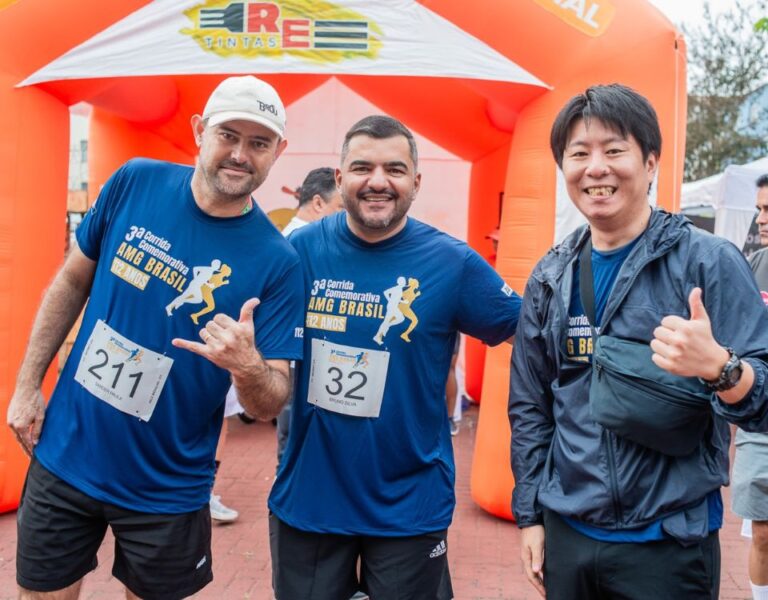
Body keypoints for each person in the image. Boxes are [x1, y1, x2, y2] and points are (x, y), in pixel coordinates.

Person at [6, 75, 304, 599]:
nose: (239, 154)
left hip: (166, 488)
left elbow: (270, 401)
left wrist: (247, 365)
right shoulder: (135, 181)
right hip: (66, 453)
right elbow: (73, 278)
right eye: (227, 135)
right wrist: (28, 384)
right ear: (198, 131)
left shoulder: (280, 262)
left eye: (258, 143)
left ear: (278, 151)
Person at [509, 83, 768, 599]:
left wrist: (721, 368)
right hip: (569, 533)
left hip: (669, 540)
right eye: (578, 154)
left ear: (650, 163)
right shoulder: (551, 275)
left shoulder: (707, 261)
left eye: (614, 150)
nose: (595, 168)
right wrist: (530, 515)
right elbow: (531, 406)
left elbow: (763, 398)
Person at [268, 115, 522, 600]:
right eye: (362, 168)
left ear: (416, 182)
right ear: (340, 179)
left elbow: (531, 333)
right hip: (311, 499)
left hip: (409, 503)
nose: (378, 182)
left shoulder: (453, 263)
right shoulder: (297, 252)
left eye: (395, 169)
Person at [731, 173, 768, 600]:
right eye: (759, 209)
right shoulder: (756, 265)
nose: (761, 219)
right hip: (761, 421)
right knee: (762, 531)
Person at [282, 166, 344, 236]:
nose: (347, 215)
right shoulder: (305, 241)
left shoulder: (291, 236)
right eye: (342, 207)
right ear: (318, 204)